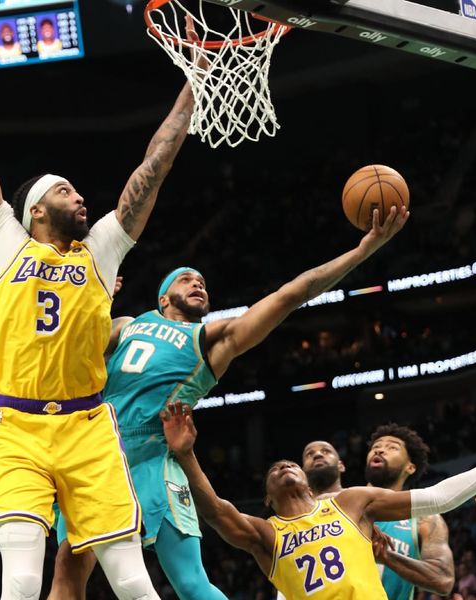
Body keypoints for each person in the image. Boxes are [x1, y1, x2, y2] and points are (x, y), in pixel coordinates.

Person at [0, 0, 198, 597]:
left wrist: (195, 81)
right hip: (20, 428)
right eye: (66, 190)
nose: (81, 197)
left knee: (134, 582)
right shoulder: (4, 240)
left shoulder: (101, 250)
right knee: (23, 581)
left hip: (88, 426)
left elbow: (151, 168)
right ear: (35, 209)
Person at [50, 204, 409, 599]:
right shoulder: (127, 325)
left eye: (202, 282)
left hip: (155, 458)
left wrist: (363, 249)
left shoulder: (214, 341)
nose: (198, 284)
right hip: (97, 453)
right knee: (68, 567)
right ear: (163, 297)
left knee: (189, 583)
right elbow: (70, 353)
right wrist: (92, 297)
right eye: (186, 280)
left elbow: (292, 294)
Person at [162, 400, 476, 600]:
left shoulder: (350, 502)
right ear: (266, 496)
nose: (284, 466)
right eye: (275, 467)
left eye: (289, 463)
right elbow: (213, 509)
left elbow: (439, 497)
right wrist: (185, 454)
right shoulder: (266, 533)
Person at [300, 427, 455, 599]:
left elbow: (443, 580)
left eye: (392, 447)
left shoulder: (424, 519)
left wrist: (385, 556)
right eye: (376, 446)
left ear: (410, 467)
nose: (380, 449)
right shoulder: (338, 504)